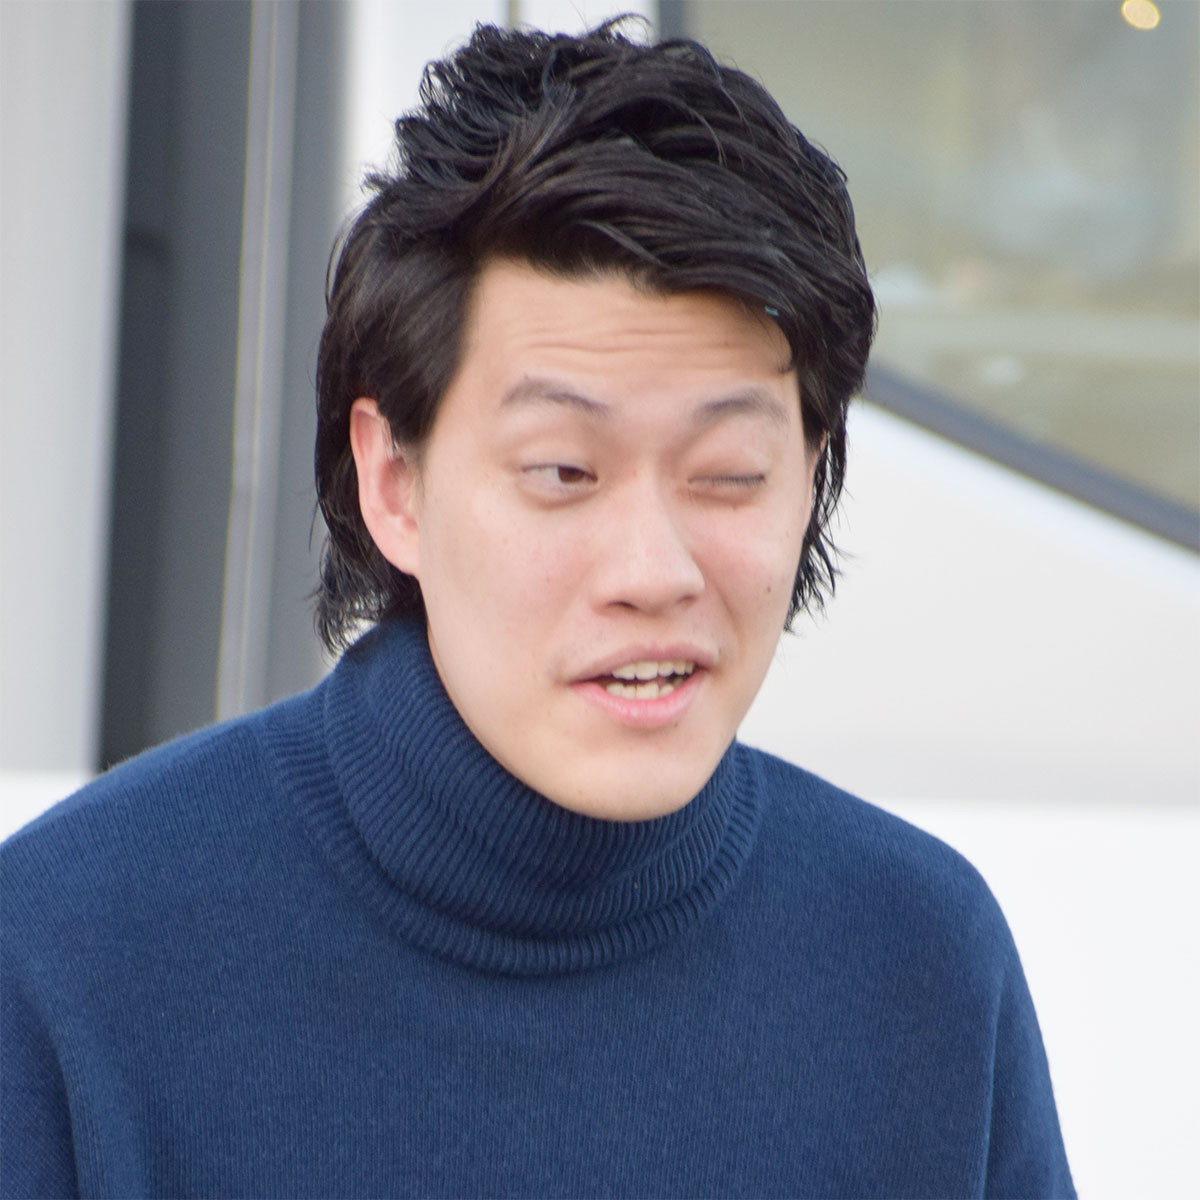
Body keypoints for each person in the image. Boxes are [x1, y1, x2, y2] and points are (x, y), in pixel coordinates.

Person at [1, 21, 1074, 1198]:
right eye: (564, 471)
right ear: (394, 482)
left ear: (810, 479)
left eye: (729, 474)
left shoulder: (919, 963)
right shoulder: (70, 955)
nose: (653, 570)